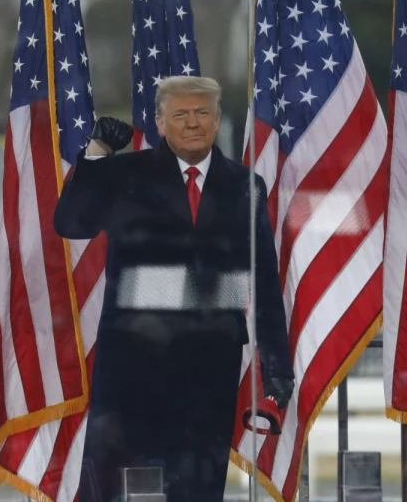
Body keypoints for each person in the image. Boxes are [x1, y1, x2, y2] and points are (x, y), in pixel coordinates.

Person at [53, 75, 294, 502]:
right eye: (180, 114)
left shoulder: (245, 186)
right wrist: (95, 155)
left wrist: (276, 367)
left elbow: (263, 281)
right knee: (120, 489)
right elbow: (71, 223)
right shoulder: (124, 174)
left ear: (217, 120)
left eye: (202, 112)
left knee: (198, 488)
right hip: (132, 366)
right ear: (160, 125)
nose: (192, 123)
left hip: (209, 368)